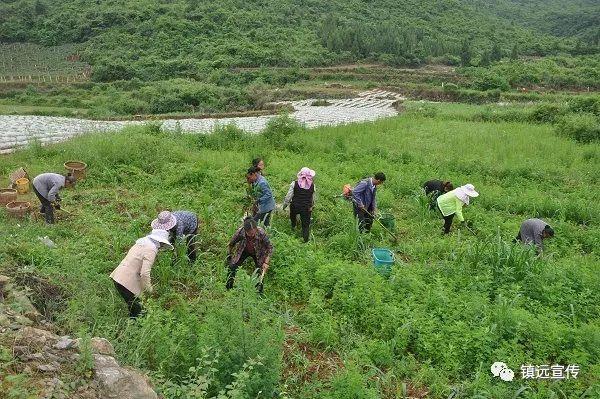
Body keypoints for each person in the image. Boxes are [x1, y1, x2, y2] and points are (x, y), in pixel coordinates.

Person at [110, 229, 174, 318]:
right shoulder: (152, 249)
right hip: (126, 282)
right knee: (139, 313)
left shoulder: (141, 243)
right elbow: (144, 273)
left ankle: (131, 327)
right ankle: (134, 329)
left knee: (134, 309)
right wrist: (149, 289)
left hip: (118, 277)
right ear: (161, 242)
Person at [226, 217, 273, 293]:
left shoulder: (261, 233)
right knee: (232, 266)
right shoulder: (240, 232)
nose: (252, 235)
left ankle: (258, 292)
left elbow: (270, 247)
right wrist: (229, 256)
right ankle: (228, 288)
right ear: (245, 231)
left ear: (256, 229)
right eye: (250, 233)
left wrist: (266, 262)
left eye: (253, 233)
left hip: (258, 252)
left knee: (260, 271)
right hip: (244, 250)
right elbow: (231, 243)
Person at [283, 167, 316, 243]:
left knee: (293, 219)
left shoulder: (294, 183)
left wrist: (284, 206)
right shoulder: (312, 186)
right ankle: (305, 241)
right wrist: (311, 206)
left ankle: (292, 232)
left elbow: (288, 197)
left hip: (295, 206)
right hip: (306, 208)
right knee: (305, 226)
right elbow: (313, 198)